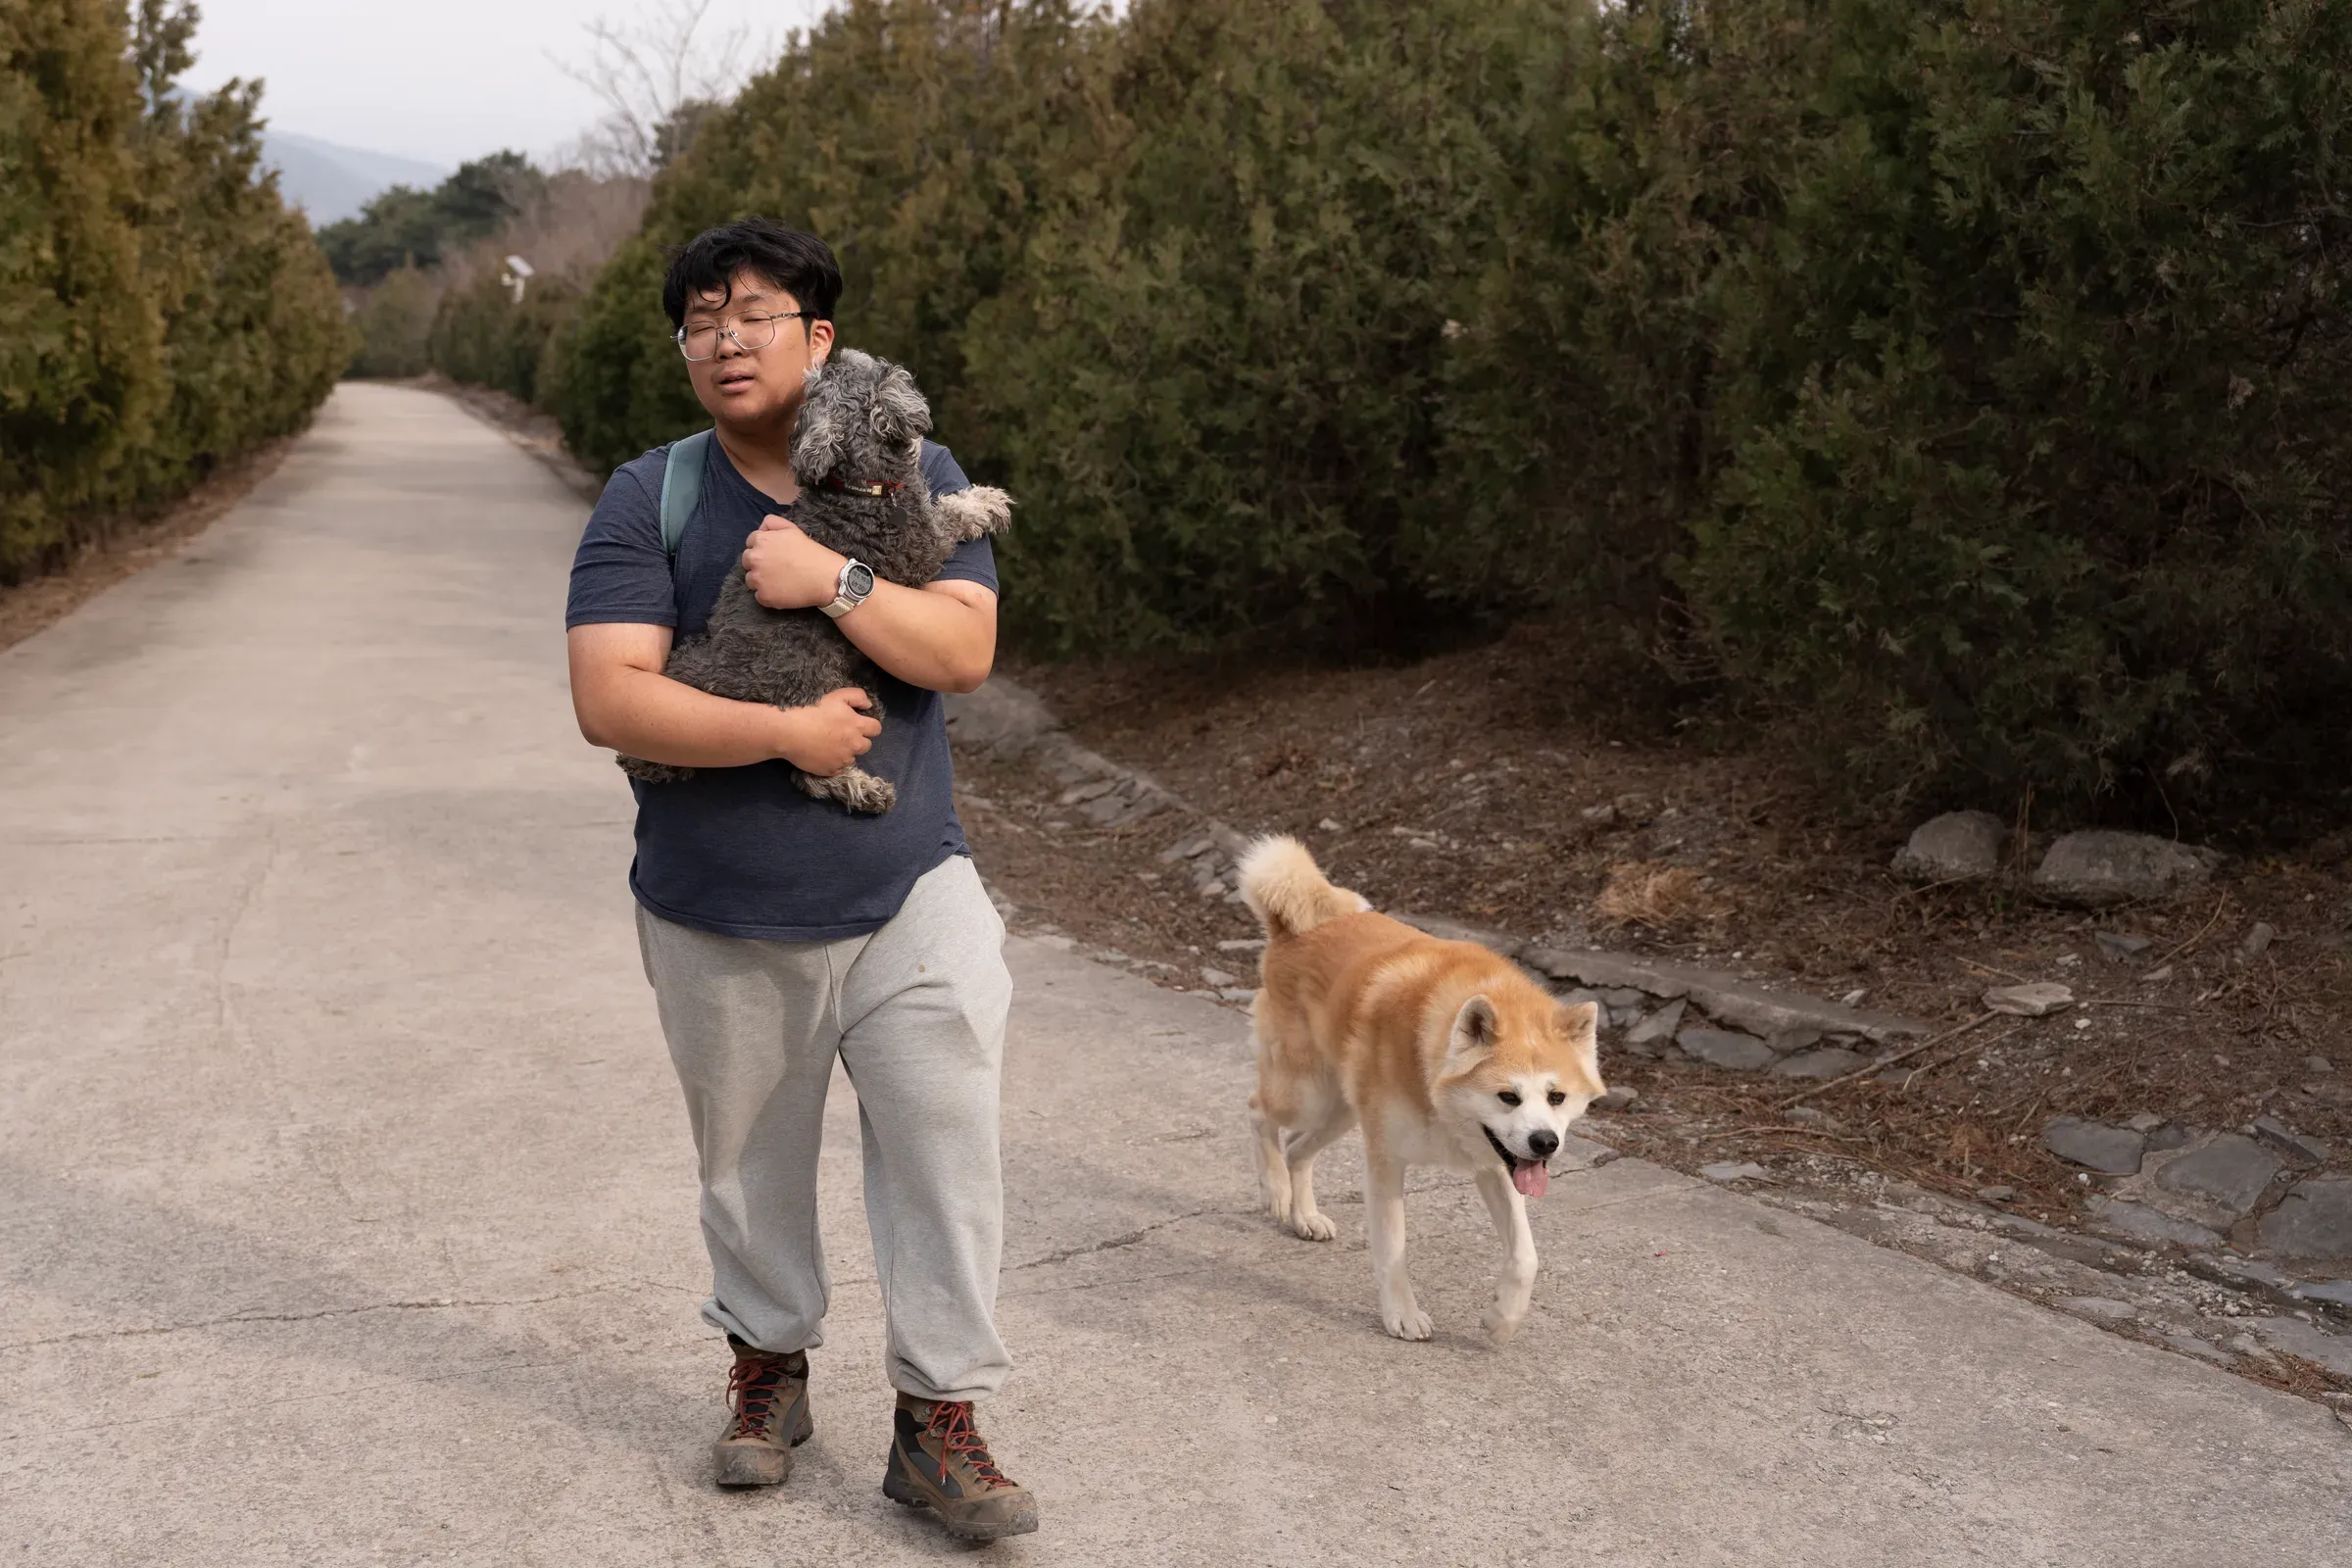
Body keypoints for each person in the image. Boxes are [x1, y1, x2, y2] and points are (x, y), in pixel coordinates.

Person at [563, 218, 1035, 1542]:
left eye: (754, 312)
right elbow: (611, 698)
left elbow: (961, 647)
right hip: (717, 901)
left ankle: (939, 1417)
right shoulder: (649, 495)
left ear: (817, 339)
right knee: (747, 1169)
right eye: (701, 320)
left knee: (948, 1149)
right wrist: (783, 732)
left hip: (909, 887)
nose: (724, 338)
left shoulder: (908, 464)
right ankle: (768, 1370)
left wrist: (831, 576)